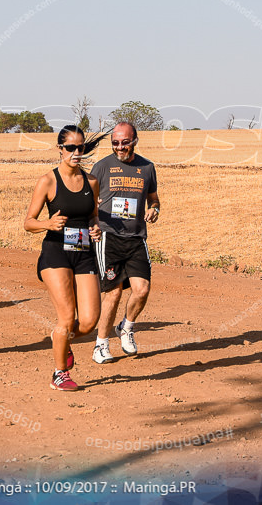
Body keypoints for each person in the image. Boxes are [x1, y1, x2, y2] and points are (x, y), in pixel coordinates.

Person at [24, 125, 105, 391]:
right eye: (70, 147)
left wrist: (95, 226)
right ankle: (59, 374)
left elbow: (93, 215)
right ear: (60, 149)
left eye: (80, 147)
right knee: (67, 317)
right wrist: (47, 224)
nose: (76, 152)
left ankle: (60, 339)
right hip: (55, 253)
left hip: (84, 254)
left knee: (90, 321)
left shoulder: (92, 181)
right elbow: (28, 222)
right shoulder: (48, 181)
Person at [91, 122, 161, 363]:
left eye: (125, 142)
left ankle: (126, 327)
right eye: (115, 143)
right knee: (113, 292)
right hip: (109, 237)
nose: (120, 147)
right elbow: (88, 200)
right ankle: (100, 345)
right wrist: (93, 222)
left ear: (135, 140)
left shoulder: (147, 167)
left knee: (142, 290)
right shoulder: (101, 167)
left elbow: (154, 200)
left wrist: (154, 210)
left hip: (136, 238)